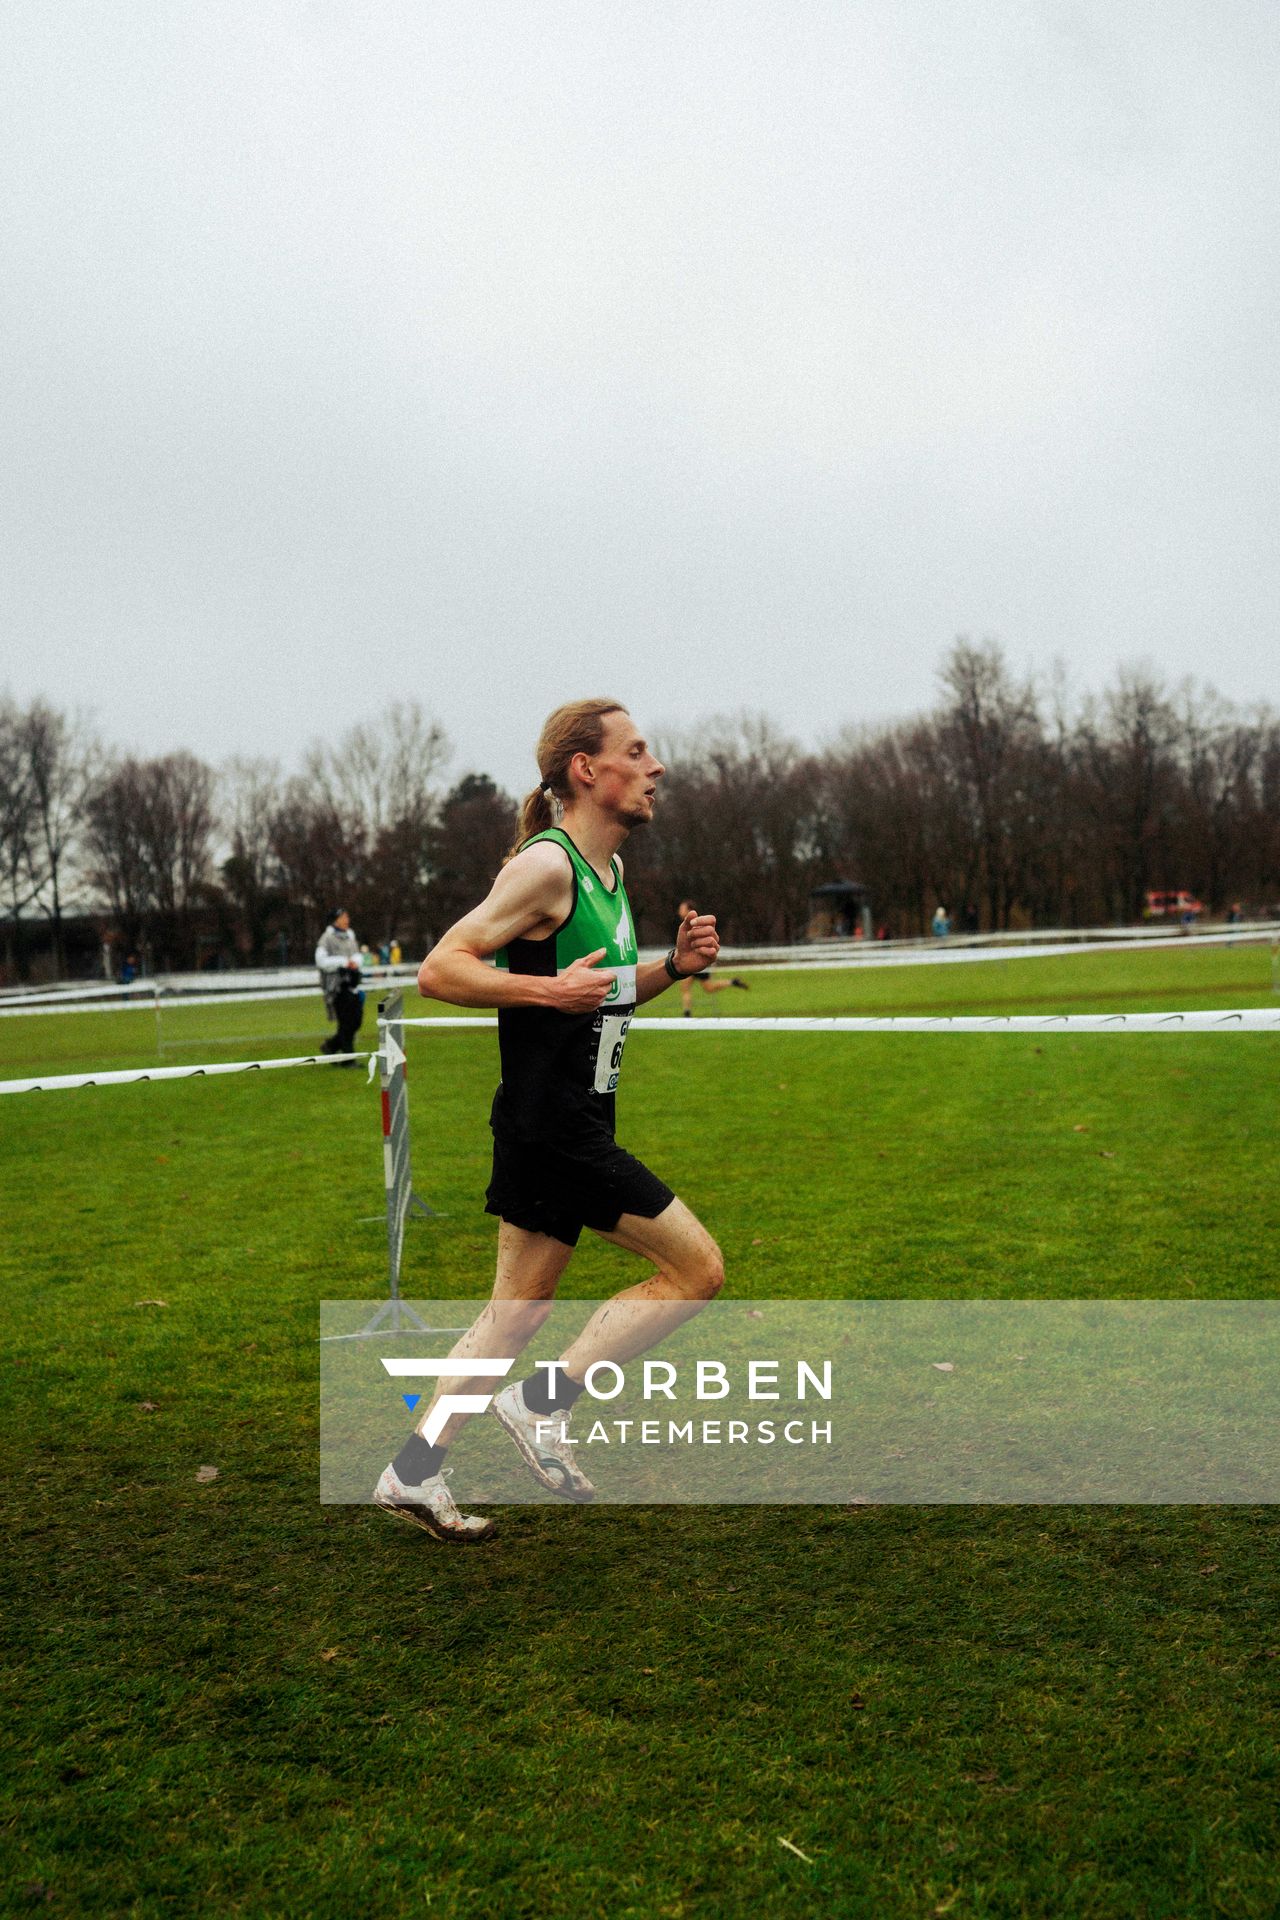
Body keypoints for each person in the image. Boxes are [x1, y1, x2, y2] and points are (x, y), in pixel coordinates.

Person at [373, 699, 725, 1542]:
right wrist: (540, 990)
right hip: (555, 1127)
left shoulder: (608, 877)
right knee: (698, 1272)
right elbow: (439, 969)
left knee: (514, 1315)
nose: (657, 767)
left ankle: (410, 1474)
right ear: (585, 770)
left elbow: (599, 988)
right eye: (637, 752)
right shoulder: (548, 866)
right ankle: (542, 1403)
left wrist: (672, 968)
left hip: (565, 1120)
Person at [674, 897, 749, 1016]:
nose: (679, 911)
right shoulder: (687, 925)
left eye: (681, 908)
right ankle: (732, 982)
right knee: (704, 987)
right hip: (695, 960)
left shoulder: (694, 925)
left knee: (695, 987)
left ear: (689, 910)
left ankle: (687, 1014)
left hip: (696, 961)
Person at [315, 909, 364, 1061]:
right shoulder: (326, 938)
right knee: (346, 1023)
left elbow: (356, 955)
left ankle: (330, 1046)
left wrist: (355, 963)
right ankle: (348, 1059)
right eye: (344, 917)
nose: (347, 919)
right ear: (336, 920)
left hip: (352, 984)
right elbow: (321, 961)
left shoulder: (350, 936)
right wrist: (343, 962)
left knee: (356, 1021)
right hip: (336, 987)